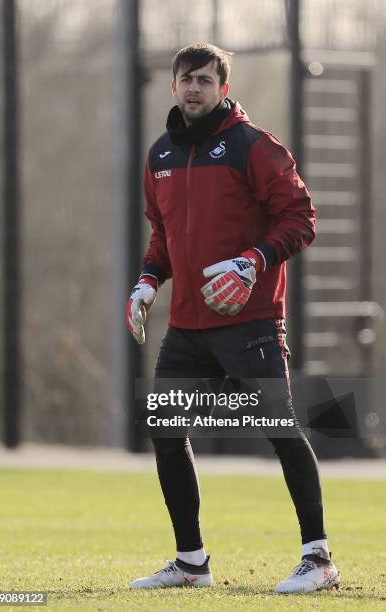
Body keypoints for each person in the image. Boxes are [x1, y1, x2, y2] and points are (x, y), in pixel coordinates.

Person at [126, 43, 340, 593]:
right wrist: (149, 280)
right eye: (185, 79)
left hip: (251, 323)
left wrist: (255, 260)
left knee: (280, 429)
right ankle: (192, 562)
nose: (193, 87)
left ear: (223, 86)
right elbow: (164, 237)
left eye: (204, 79)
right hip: (188, 328)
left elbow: (301, 217)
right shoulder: (159, 157)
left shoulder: (254, 146)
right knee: (166, 431)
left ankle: (318, 559)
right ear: (172, 86)